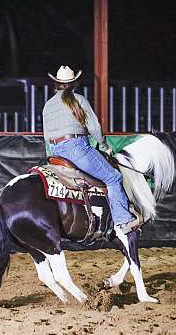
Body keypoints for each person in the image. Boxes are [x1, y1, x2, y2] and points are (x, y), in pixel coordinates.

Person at [43, 65, 140, 234]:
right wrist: (103, 145)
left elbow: (46, 136)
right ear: (74, 83)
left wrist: (51, 155)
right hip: (76, 149)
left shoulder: (48, 105)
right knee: (113, 177)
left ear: (56, 84)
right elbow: (94, 127)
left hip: (55, 152)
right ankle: (123, 221)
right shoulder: (78, 100)